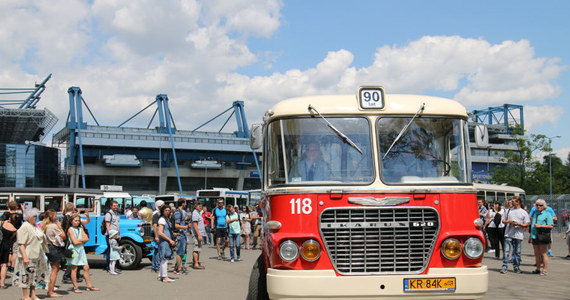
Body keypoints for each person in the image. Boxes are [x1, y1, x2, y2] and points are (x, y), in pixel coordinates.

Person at [12, 208, 49, 300]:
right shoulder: (24, 226)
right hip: (28, 255)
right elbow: (21, 243)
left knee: (35, 275)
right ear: (28, 217)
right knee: (25, 275)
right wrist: (25, 257)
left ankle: (33, 294)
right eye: (34, 216)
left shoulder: (35, 226)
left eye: (36, 216)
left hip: (37, 254)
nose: (36, 218)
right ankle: (25, 296)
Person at [66, 214, 99, 293]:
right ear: (71, 221)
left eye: (78, 221)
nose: (77, 222)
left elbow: (86, 238)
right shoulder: (70, 229)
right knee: (74, 268)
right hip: (74, 249)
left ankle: (89, 286)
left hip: (81, 249)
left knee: (86, 267)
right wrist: (81, 240)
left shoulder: (80, 229)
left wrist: (79, 240)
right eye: (75, 221)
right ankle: (75, 287)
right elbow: (74, 241)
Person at [500, 196, 530, 274]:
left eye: (513, 201)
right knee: (506, 251)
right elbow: (503, 220)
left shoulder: (523, 212)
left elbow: (526, 223)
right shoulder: (508, 211)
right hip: (508, 234)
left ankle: (516, 266)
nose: (511, 203)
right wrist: (509, 221)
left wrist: (519, 224)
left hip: (518, 234)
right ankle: (504, 266)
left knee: (517, 252)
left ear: (518, 202)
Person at [41, 209, 66, 297]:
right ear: (51, 217)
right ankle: (50, 291)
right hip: (53, 247)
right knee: (55, 270)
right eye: (55, 216)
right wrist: (60, 226)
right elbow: (63, 236)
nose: (57, 217)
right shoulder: (53, 226)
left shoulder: (44, 225)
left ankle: (50, 290)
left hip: (47, 247)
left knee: (52, 269)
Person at [530, 199, 554, 276]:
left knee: (543, 253)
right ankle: (538, 268)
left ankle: (545, 269)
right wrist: (530, 236)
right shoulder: (535, 214)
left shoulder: (547, 214)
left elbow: (551, 225)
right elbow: (532, 226)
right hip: (535, 236)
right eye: (537, 205)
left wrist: (540, 226)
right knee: (536, 253)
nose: (538, 206)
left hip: (543, 236)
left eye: (540, 205)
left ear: (544, 206)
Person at [157, 205, 175, 283]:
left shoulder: (166, 219)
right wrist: (169, 240)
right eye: (166, 210)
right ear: (163, 211)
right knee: (164, 259)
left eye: (169, 210)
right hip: (164, 241)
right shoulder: (162, 220)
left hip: (166, 241)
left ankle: (161, 275)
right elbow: (160, 232)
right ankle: (165, 277)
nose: (168, 212)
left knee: (164, 259)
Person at [0, 213, 18, 289]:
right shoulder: (14, 229)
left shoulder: (2, 223)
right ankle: (2, 283)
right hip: (6, 246)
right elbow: (11, 239)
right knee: (4, 265)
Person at [172, 198, 188, 275]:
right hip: (180, 235)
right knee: (180, 252)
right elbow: (177, 225)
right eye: (185, 203)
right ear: (182, 204)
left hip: (183, 234)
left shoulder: (180, 212)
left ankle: (178, 267)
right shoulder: (178, 212)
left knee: (182, 252)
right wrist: (186, 226)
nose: (186, 204)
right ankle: (179, 268)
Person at [104, 201, 120, 273]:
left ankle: (114, 267)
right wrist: (110, 235)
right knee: (110, 251)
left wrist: (119, 234)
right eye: (114, 206)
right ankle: (109, 267)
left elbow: (117, 225)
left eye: (117, 206)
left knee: (115, 251)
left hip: (116, 235)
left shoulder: (117, 214)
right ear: (111, 206)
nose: (116, 207)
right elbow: (107, 225)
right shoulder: (109, 214)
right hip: (110, 236)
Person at [190, 201, 206, 269]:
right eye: (199, 206)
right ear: (195, 206)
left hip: (199, 233)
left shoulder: (198, 213)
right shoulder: (195, 213)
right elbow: (195, 224)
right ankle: (196, 264)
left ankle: (196, 262)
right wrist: (198, 234)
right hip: (197, 234)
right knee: (196, 249)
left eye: (201, 206)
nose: (201, 207)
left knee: (198, 249)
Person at [151, 200, 165, 272]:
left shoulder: (159, 214)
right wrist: (156, 236)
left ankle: (155, 266)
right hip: (157, 235)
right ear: (159, 207)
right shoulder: (156, 214)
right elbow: (155, 225)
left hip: (158, 234)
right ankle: (157, 266)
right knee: (157, 251)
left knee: (157, 250)